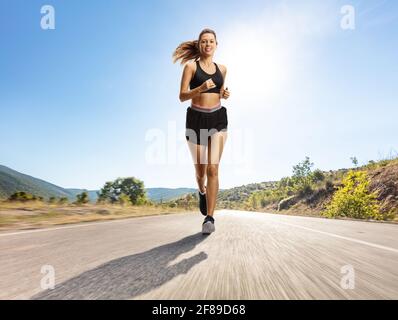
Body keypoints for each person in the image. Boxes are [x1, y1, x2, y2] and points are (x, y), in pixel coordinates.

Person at [172, 28, 230, 235]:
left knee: (213, 168)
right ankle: (201, 190)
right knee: (200, 172)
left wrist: (224, 94)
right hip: (195, 119)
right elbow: (182, 96)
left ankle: (210, 218)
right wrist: (200, 88)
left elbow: (219, 94)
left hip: (218, 118)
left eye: (211, 41)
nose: (207, 45)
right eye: (204, 42)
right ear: (199, 45)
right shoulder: (190, 66)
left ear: (216, 44)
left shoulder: (222, 69)